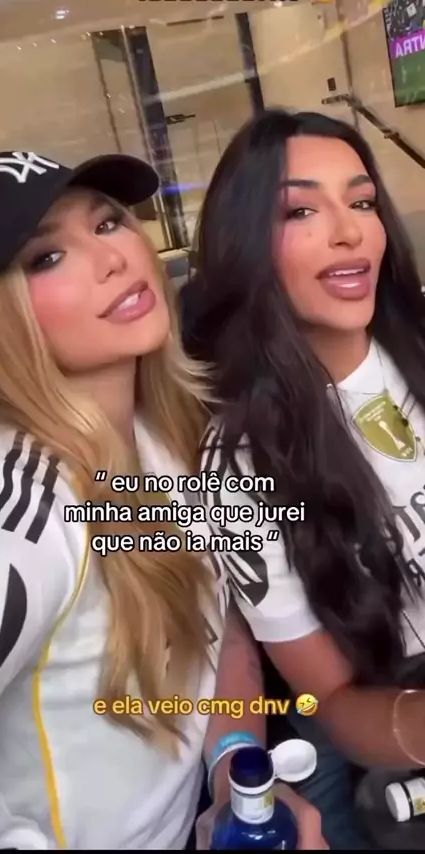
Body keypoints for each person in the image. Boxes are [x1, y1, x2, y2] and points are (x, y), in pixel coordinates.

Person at [0, 150, 324, 850]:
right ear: (3, 320)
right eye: (47, 258)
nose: (113, 258)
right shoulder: (16, 530)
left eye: (109, 223)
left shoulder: (172, 438)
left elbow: (220, 628)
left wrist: (233, 777)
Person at [185, 108, 425, 849]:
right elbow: (336, 702)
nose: (350, 231)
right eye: (300, 211)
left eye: (362, 202)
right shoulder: (235, 468)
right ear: (246, 246)